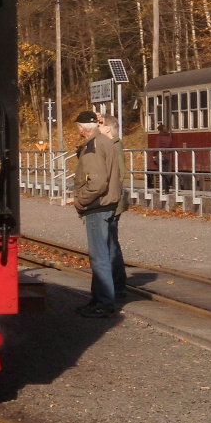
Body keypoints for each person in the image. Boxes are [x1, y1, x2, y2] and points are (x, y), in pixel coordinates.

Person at [65, 110, 121, 317]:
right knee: (102, 255)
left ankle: (104, 303)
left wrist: (80, 201)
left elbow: (96, 183)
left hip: (97, 207)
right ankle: (98, 299)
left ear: (81, 129)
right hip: (107, 205)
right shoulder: (106, 142)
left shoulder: (93, 148)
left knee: (99, 258)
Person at [98, 113, 129, 302]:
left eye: (100, 125)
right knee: (109, 244)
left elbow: (119, 174)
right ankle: (115, 284)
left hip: (111, 203)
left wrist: (109, 196)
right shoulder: (108, 145)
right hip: (109, 201)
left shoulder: (114, 147)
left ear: (108, 129)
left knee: (110, 245)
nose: (98, 128)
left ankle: (117, 285)